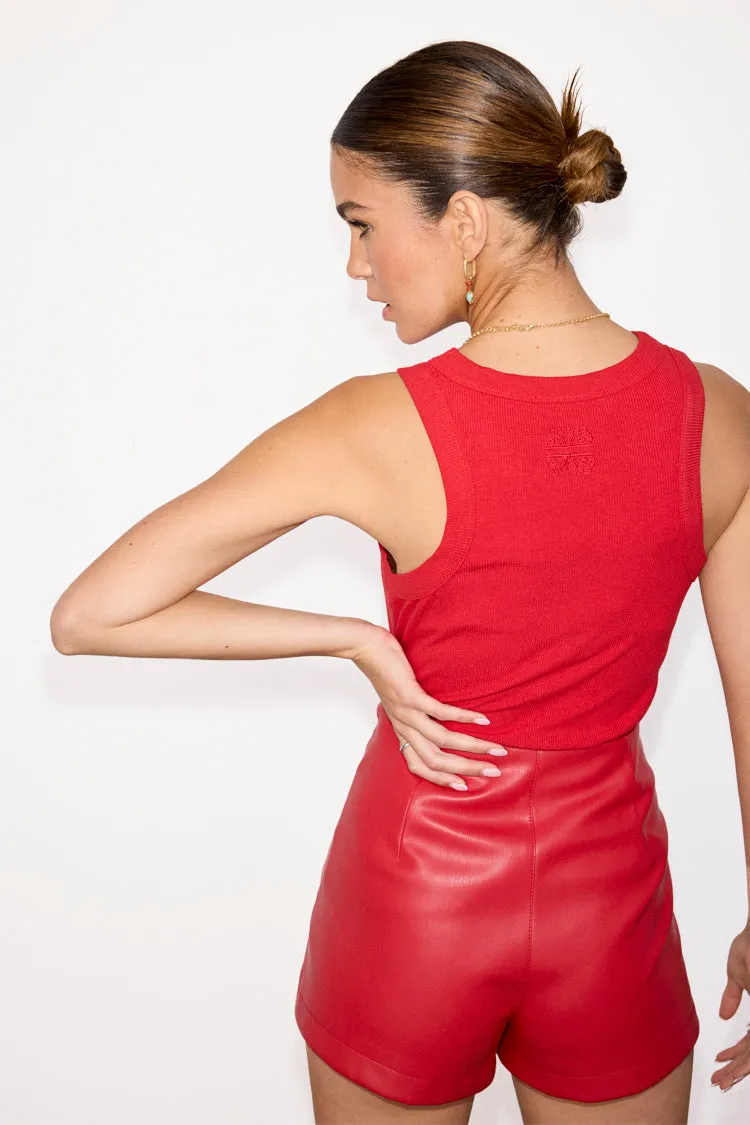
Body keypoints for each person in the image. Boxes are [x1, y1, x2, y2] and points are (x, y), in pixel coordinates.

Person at [49, 37, 750, 1125]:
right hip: (612, 905)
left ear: (464, 221)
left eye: (362, 225)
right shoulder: (716, 413)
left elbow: (91, 613)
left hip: (415, 897)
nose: (356, 267)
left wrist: (355, 639)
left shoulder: (374, 423)